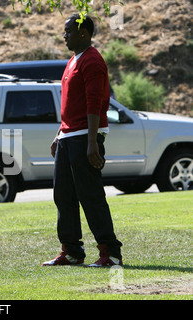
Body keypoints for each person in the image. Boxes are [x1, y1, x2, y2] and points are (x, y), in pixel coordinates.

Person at [42, 14, 123, 267]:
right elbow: (71, 106)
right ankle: (72, 251)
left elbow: (94, 103)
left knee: (90, 196)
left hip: (84, 137)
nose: (64, 35)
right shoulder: (72, 61)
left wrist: (91, 142)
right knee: (63, 195)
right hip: (69, 135)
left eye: (68, 31)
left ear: (84, 33)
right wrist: (59, 134)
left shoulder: (92, 60)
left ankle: (110, 253)